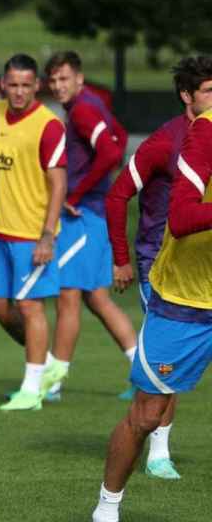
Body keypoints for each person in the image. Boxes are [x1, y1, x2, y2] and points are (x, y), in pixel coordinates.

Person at [90, 98, 212, 522]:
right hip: (187, 299)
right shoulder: (204, 132)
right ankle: (107, 508)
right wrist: (121, 257)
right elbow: (179, 218)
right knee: (147, 414)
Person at [42, 51, 136, 400]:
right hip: (96, 214)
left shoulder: (82, 109)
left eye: (64, 79)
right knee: (98, 299)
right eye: (53, 81)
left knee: (68, 295)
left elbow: (111, 153)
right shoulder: (91, 103)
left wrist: (78, 194)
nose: (58, 86)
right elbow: (120, 136)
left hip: (85, 216)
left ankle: (53, 381)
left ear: (79, 79)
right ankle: (142, 371)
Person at [0, 54, 67, 411]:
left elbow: (58, 184)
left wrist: (48, 235)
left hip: (32, 234)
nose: (18, 92)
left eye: (25, 85)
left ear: (37, 86)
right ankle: (43, 366)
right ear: (3, 84)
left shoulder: (49, 125)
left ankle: (32, 390)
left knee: (31, 307)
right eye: (12, 84)